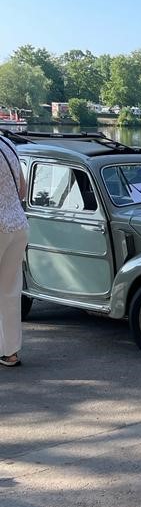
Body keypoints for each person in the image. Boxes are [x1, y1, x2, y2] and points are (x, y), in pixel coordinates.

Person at [0, 133, 29, 366]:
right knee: (9, 291)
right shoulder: (8, 144)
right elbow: (22, 190)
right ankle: (10, 352)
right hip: (17, 224)